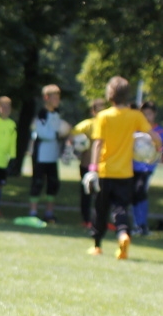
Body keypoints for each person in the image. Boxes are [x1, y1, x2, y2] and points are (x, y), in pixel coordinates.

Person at [86, 76, 160, 259]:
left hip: (104, 171)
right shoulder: (135, 116)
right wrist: (156, 150)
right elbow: (153, 136)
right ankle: (123, 234)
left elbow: (97, 144)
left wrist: (93, 168)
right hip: (125, 173)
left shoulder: (103, 116)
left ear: (110, 94)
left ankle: (97, 245)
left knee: (100, 209)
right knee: (121, 209)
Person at [28, 84, 69, 222]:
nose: (57, 101)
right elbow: (42, 133)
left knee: (53, 184)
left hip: (52, 156)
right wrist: (57, 133)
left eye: (58, 98)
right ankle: (33, 212)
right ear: (47, 98)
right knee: (38, 183)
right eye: (54, 98)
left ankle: (49, 213)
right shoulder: (41, 114)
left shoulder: (56, 114)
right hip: (41, 155)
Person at [131, 101, 163, 236]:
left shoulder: (159, 131)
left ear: (154, 115)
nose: (147, 117)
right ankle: (135, 224)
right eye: (144, 114)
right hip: (132, 167)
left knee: (140, 193)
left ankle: (141, 224)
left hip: (147, 168)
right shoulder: (136, 130)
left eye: (149, 114)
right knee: (133, 195)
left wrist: (156, 145)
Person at [69, 97, 106, 230]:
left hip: (104, 167)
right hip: (87, 165)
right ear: (93, 111)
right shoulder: (87, 125)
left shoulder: (109, 124)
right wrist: (77, 143)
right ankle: (86, 219)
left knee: (102, 195)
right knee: (86, 193)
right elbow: (72, 134)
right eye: (99, 110)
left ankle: (100, 220)